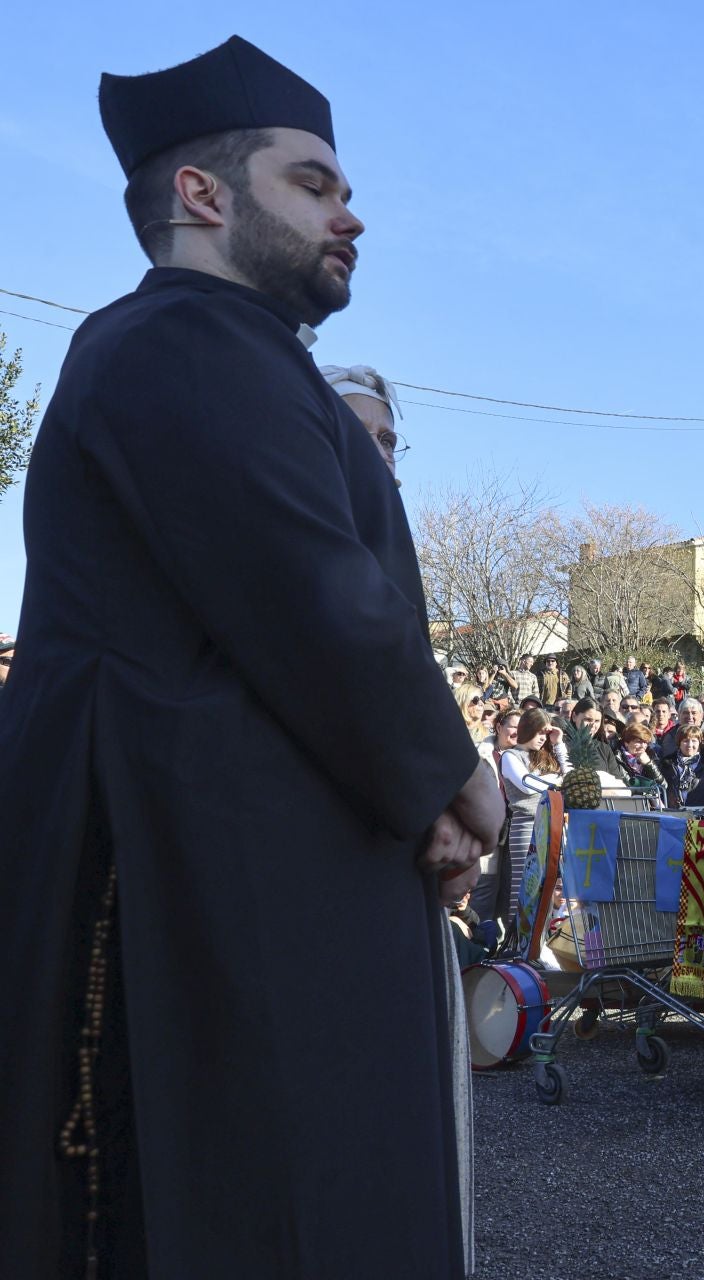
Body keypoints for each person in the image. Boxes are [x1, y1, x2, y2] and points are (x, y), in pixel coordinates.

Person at [0, 38, 512, 1278]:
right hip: (195, 904)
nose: (353, 213)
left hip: (269, 878)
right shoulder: (175, 341)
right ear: (203, 195)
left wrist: (421, 796)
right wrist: (457, 780)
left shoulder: (237, 353)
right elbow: (315, 596)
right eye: (315, 183)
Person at [661, 722, 704, 808]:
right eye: (685, 741)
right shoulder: (667, 763)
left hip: (701, 814)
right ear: (679, 742)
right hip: (673, 813)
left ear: (699, 742)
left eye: (694, 741)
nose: (690, 745)